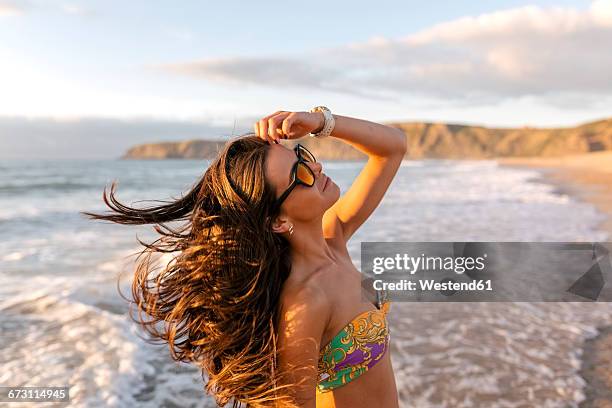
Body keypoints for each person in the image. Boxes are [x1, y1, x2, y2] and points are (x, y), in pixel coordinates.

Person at [82, 106, 406, 408]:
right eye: (300, 175)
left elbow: (393, 148)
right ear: (277, 220)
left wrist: (319, 122)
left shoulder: (334, 239)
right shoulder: (306, 302)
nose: (316, 167)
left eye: (304, 157)